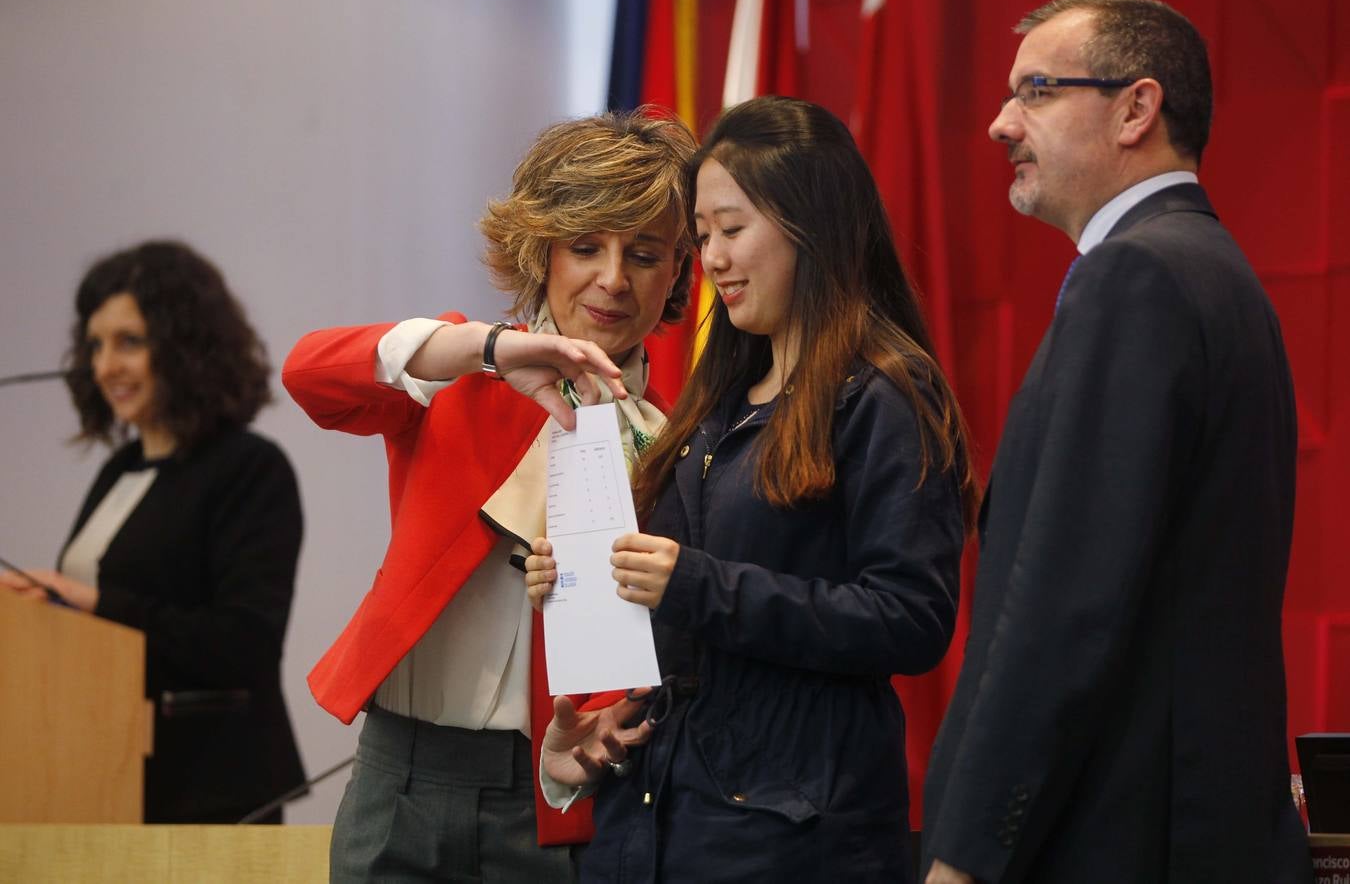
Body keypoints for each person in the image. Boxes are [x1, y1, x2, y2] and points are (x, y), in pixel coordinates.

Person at [525, 95, 978, 882]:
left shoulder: (883, 394)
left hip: (792, 836)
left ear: (812, 224)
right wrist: (582, 583)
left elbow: (911, 618)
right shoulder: (718, 397)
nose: (715, 259)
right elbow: (692, 618)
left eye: (732, 231)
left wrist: (696, 584)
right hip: (660, 820)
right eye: (702, 238)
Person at [921, 0, 1313, 884]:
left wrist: (967, 856)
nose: (999, 123)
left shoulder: (1135, 275)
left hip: (1116, 842)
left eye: (1038, 91)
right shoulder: (1211, 270)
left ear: (1137, 109)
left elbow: (1065, 602)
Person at [281, 109, 697, 882]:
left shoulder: (675, 441)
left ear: (678, 273)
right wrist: (487, 347)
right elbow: (307, 374)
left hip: (555, 801)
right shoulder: (462, 373)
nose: (613, 279)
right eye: (585, 247)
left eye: (644, 254)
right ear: (540, 250)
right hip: (399, 775)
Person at [0, 240, 306, 824]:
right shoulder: (121, 470)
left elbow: (246, 643)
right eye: (95, 345)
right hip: (95, 771)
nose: (104, 366)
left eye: (128, 342)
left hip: (206, 790)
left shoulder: (248, 468)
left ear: (186, 347)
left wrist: (96, 603)